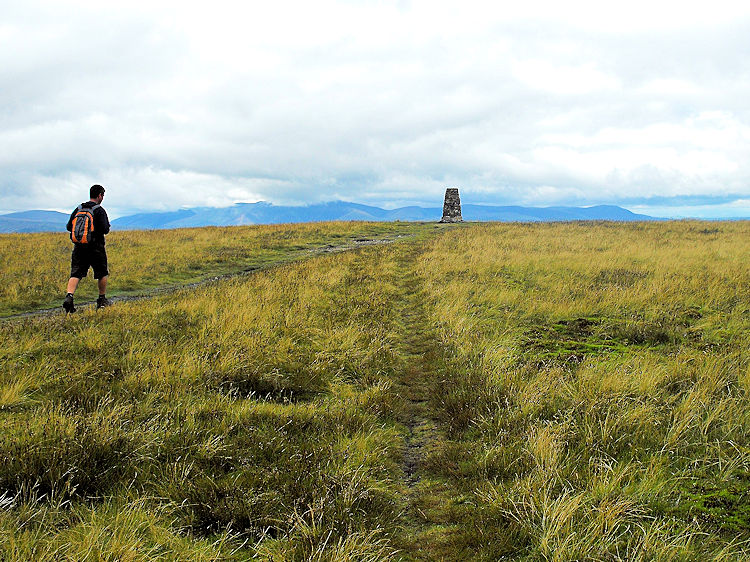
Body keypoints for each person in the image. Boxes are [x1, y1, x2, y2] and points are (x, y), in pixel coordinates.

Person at [63, 184, 112, 312]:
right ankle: (102, 300)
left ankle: (69, 297)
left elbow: (69, 226)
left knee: (76, 273)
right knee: (102, 273)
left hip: (79, 247)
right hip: (96, 248)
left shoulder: (79, 208)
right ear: (100, 195)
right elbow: (105, 230)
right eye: (103, 195)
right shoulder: (99, 210)